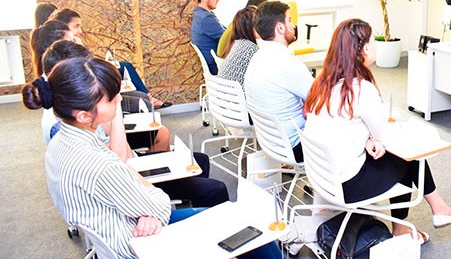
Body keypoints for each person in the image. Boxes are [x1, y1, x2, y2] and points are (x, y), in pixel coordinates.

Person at [22, 57, 280, 259]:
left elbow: (127, 179)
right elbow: (161, 205)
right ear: (83, 115)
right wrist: (147, 207)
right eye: (112, 99)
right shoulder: (99, 164)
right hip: (138, 244)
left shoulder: (60, 144)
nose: (119, 98)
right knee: (246, 224)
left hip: (119, 231)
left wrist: (143, 204)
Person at [304, 19, 451, 244]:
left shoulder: (323, 83)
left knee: (399, 153)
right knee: (410, 156)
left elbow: (339, 126)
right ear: (364, 49)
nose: (376, 44)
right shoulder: (360, 88)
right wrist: (379, 138)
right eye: (373, 40)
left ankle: (434, 211)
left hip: (321, 177)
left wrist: (367, 140)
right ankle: (425, 216)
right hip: (346, 186)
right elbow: (386, 136)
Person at [40, 40, 170, 153]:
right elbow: (118, 158)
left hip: (113, 145)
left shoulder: (72, 107)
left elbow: (107, 132)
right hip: (116, 154)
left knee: (161, 131)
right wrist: (115, 109)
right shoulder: (64, 127)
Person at [52, 7, 171, 109]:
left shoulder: (76, 41)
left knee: (128, 71)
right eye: (76, 26)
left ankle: (148, 97)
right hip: (91, 91)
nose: (80, 31)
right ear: (64, 27)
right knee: (143, 102)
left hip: (95, 81)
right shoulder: (63, 51)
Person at [244, 1, 314, 162]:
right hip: (295, 146)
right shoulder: (287, 63)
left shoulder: (257, 58)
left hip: (270, 142)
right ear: (280, 28)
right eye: (289, 20)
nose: (294, 25)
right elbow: (322, 99)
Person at [218, 5, 259, 89]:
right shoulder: (251, 48)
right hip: (237, 95)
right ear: (250, 27)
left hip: (225, 94)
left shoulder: (236, 43)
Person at [190, 0, 225, 75]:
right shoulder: (206, 18)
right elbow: (226, 38)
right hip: (217, 66)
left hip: (215, 63)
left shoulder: (200, 14)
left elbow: (224, 31)